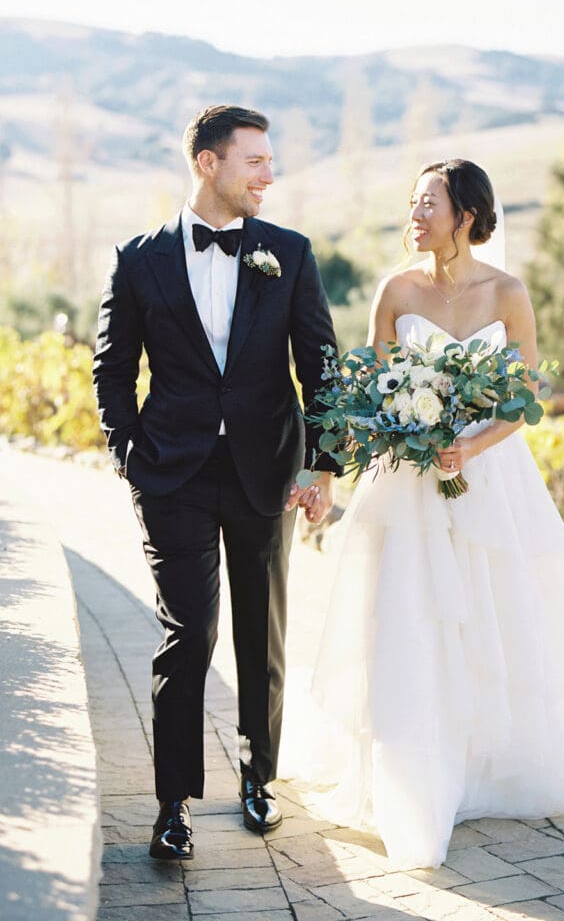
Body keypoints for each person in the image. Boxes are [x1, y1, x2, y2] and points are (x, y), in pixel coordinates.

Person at [279, 159, 564, 870]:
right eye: (411, 202)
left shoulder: (509, 292)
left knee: (492, 615)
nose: (414, 213)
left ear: (464, 213)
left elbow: (524, 397)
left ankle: (485, 767)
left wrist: (471, 444)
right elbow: (368, 387)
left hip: (488, 477)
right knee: (409, 614)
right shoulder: (395, 289)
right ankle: (412, 764)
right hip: (406, 479)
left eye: (426, 202)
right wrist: (358, 449)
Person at [93, 105, 338, 861]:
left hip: (268, 470)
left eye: (270, 160)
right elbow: (111, 369)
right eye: (255, 161)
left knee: (262, 631)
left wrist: (323, 463)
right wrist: (129, 453)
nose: (270, 174)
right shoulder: (138, 259)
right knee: (187, 634)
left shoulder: (289, 253)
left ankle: (259, 776)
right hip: (173, 474)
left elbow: (319, 364)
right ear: (208, 163)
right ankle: (173, 803)